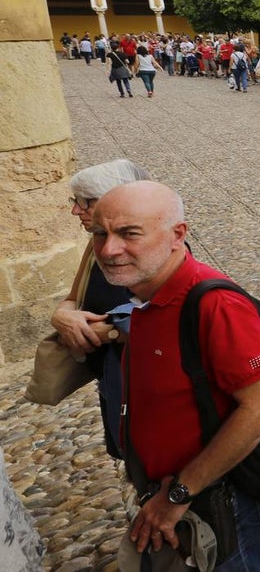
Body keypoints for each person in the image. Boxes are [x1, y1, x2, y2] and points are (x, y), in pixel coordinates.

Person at [90, 181, 260, 568]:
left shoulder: (215, 304)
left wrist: (179, 494)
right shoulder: (145, 292)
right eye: (100, 233)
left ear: (178, 234)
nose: (109, 249)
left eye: (129, 234)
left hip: (217, 502)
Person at [52, 160, 152, 459]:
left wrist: (103, 332)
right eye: (75, 201)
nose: (75, 211)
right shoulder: (96, 244)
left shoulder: (156, 249)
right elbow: (73, 297)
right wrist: (60, 316)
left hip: (146, 373)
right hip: (111, 370)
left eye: (86, 202)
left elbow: (166, 313)